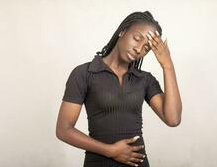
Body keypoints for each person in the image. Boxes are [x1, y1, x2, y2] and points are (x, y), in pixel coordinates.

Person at [56, 11, 182, 167]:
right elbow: (63, 129)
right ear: (122, 31)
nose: (139, 49)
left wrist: (167, 65)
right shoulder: (84, 73)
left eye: (146, 48)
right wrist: (111, 151)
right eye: (137, 39)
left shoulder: (144, 79)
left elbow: (173, 119)